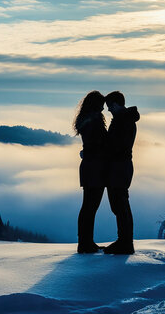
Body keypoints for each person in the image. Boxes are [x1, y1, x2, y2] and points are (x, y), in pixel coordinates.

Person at [103, 91, 139, 255]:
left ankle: (125, 243)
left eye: (110, 106)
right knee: (120, 204)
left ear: (117, 104)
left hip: (119, 166)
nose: (108, 110)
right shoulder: (125, 119)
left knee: (120, 205)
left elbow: (117, 146)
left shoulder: (122, 120)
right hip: (122, 166)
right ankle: (124, 241)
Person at [74, 91, 107, 254]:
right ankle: (85, 243)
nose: (103, 109)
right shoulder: (94, 120)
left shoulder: (86, 119)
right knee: (90, 206)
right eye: (101, 105)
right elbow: (98, 144)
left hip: (89, 166)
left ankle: (86, 241)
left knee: (88, 206)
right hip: (94, 167)